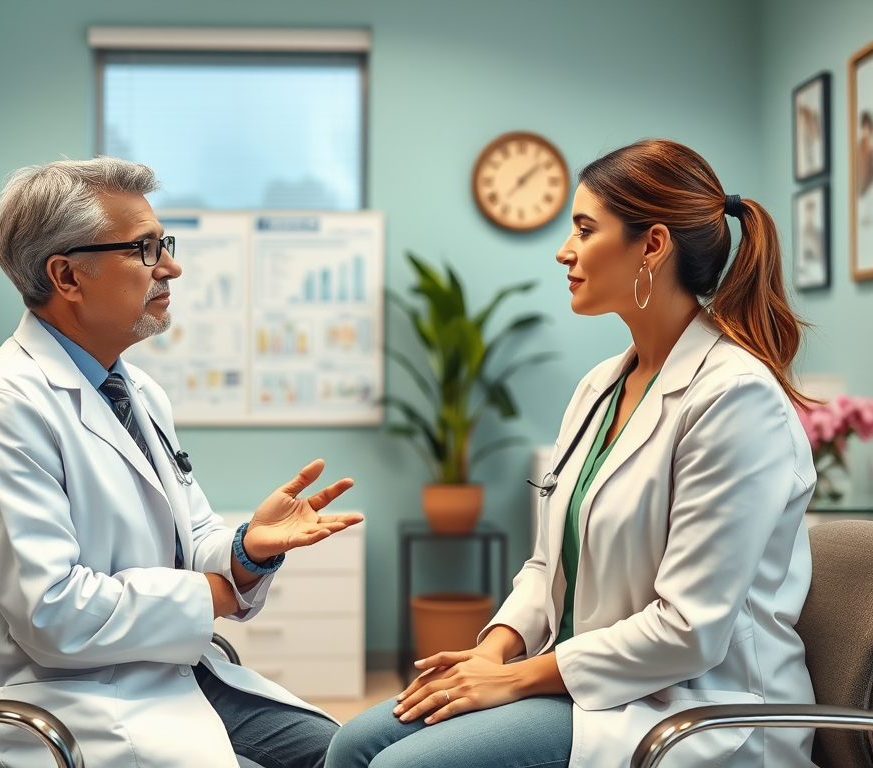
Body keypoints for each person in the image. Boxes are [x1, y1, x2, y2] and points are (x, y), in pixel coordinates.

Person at [327, 139, 817, 768]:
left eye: (585, 230)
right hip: (596, 687)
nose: (565, 251)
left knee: (403, 765)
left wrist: (518, 679)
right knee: (353, 744)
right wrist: (495, 651)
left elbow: (690, 630)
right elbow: (545, 568)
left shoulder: (734, 399)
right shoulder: (601, 386)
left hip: (695, 712)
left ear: (653, 245)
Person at [0, 157, 362, 768]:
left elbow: (192, 532)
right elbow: (54, 615)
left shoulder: (135, 392)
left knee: (355, 754)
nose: (171, 267)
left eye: (164, 244)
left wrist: (244, 552)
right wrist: (216, 593)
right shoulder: (2, 412)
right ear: (67, 276)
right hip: (53, 709)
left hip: (154, 674)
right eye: (145, 249)